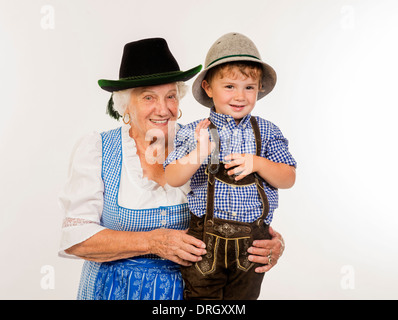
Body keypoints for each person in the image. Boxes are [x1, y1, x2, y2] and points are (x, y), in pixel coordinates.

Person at [58, 37, 286, 300]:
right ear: (125, 106)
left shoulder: (201, 141)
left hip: (192, 294)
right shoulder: (97, 149)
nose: (163, 109)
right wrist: (153, 242)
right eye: (148, 97)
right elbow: (76, 238)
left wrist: (270, 243)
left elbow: (242, 205)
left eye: (170, 96)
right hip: (113, 292)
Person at [164, 32, 296, 300]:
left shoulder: (267, 132)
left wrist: (257, 163)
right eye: (229, 87)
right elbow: (172, 176)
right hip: (205, 243)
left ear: (259, 88)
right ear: (208, 88)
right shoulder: (193, 132)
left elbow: (288, 177)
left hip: (252, 245)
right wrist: (201, 151)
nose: (240, 96)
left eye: (249, 87)